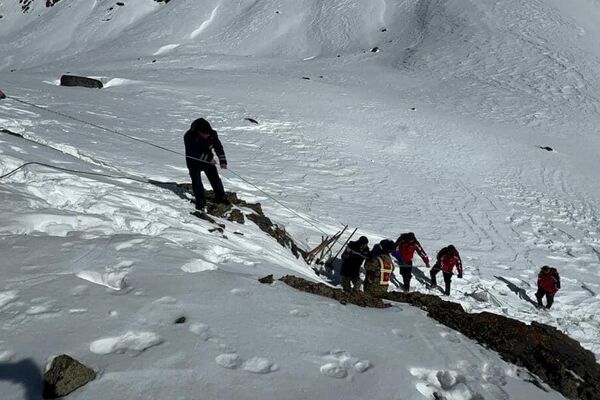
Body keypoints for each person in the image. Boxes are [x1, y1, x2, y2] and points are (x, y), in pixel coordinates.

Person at [184, 118, 229, 210]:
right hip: (193, 162)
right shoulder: (188, 136)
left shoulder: (212, 134)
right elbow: (192, 152)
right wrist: (208, 159)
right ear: (198, 132)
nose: (207, 135)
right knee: (197, 182)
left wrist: (223, 161)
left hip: (208, 161)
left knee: (215, 179)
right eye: (205, 134)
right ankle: (200, 201)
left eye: (208, 133)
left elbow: (218, 148)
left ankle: (221, 197)